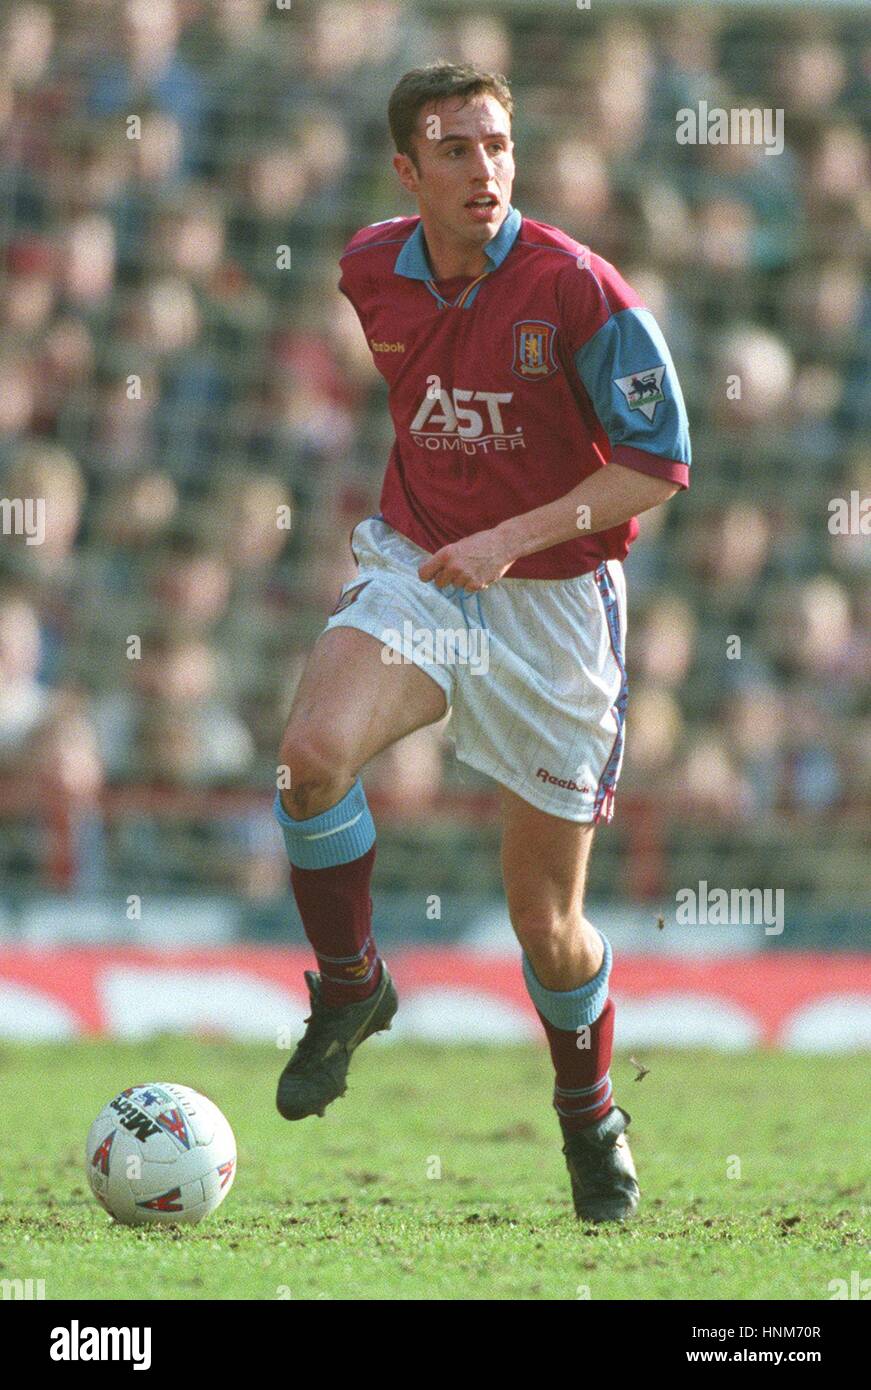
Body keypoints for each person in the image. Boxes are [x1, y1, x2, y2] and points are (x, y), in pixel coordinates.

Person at [272, 63, 691, 1223]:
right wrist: (449, 526)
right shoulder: (369, 268)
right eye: (454, 149)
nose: (484, 169)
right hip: (422, 569)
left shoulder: (579, 290)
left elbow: (655, 467)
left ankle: (588, 1115)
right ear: (407, 171)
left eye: (498, 145)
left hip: (554, 604)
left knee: (544, 926)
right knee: (310, 757)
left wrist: (512, 530)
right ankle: (351, 988)